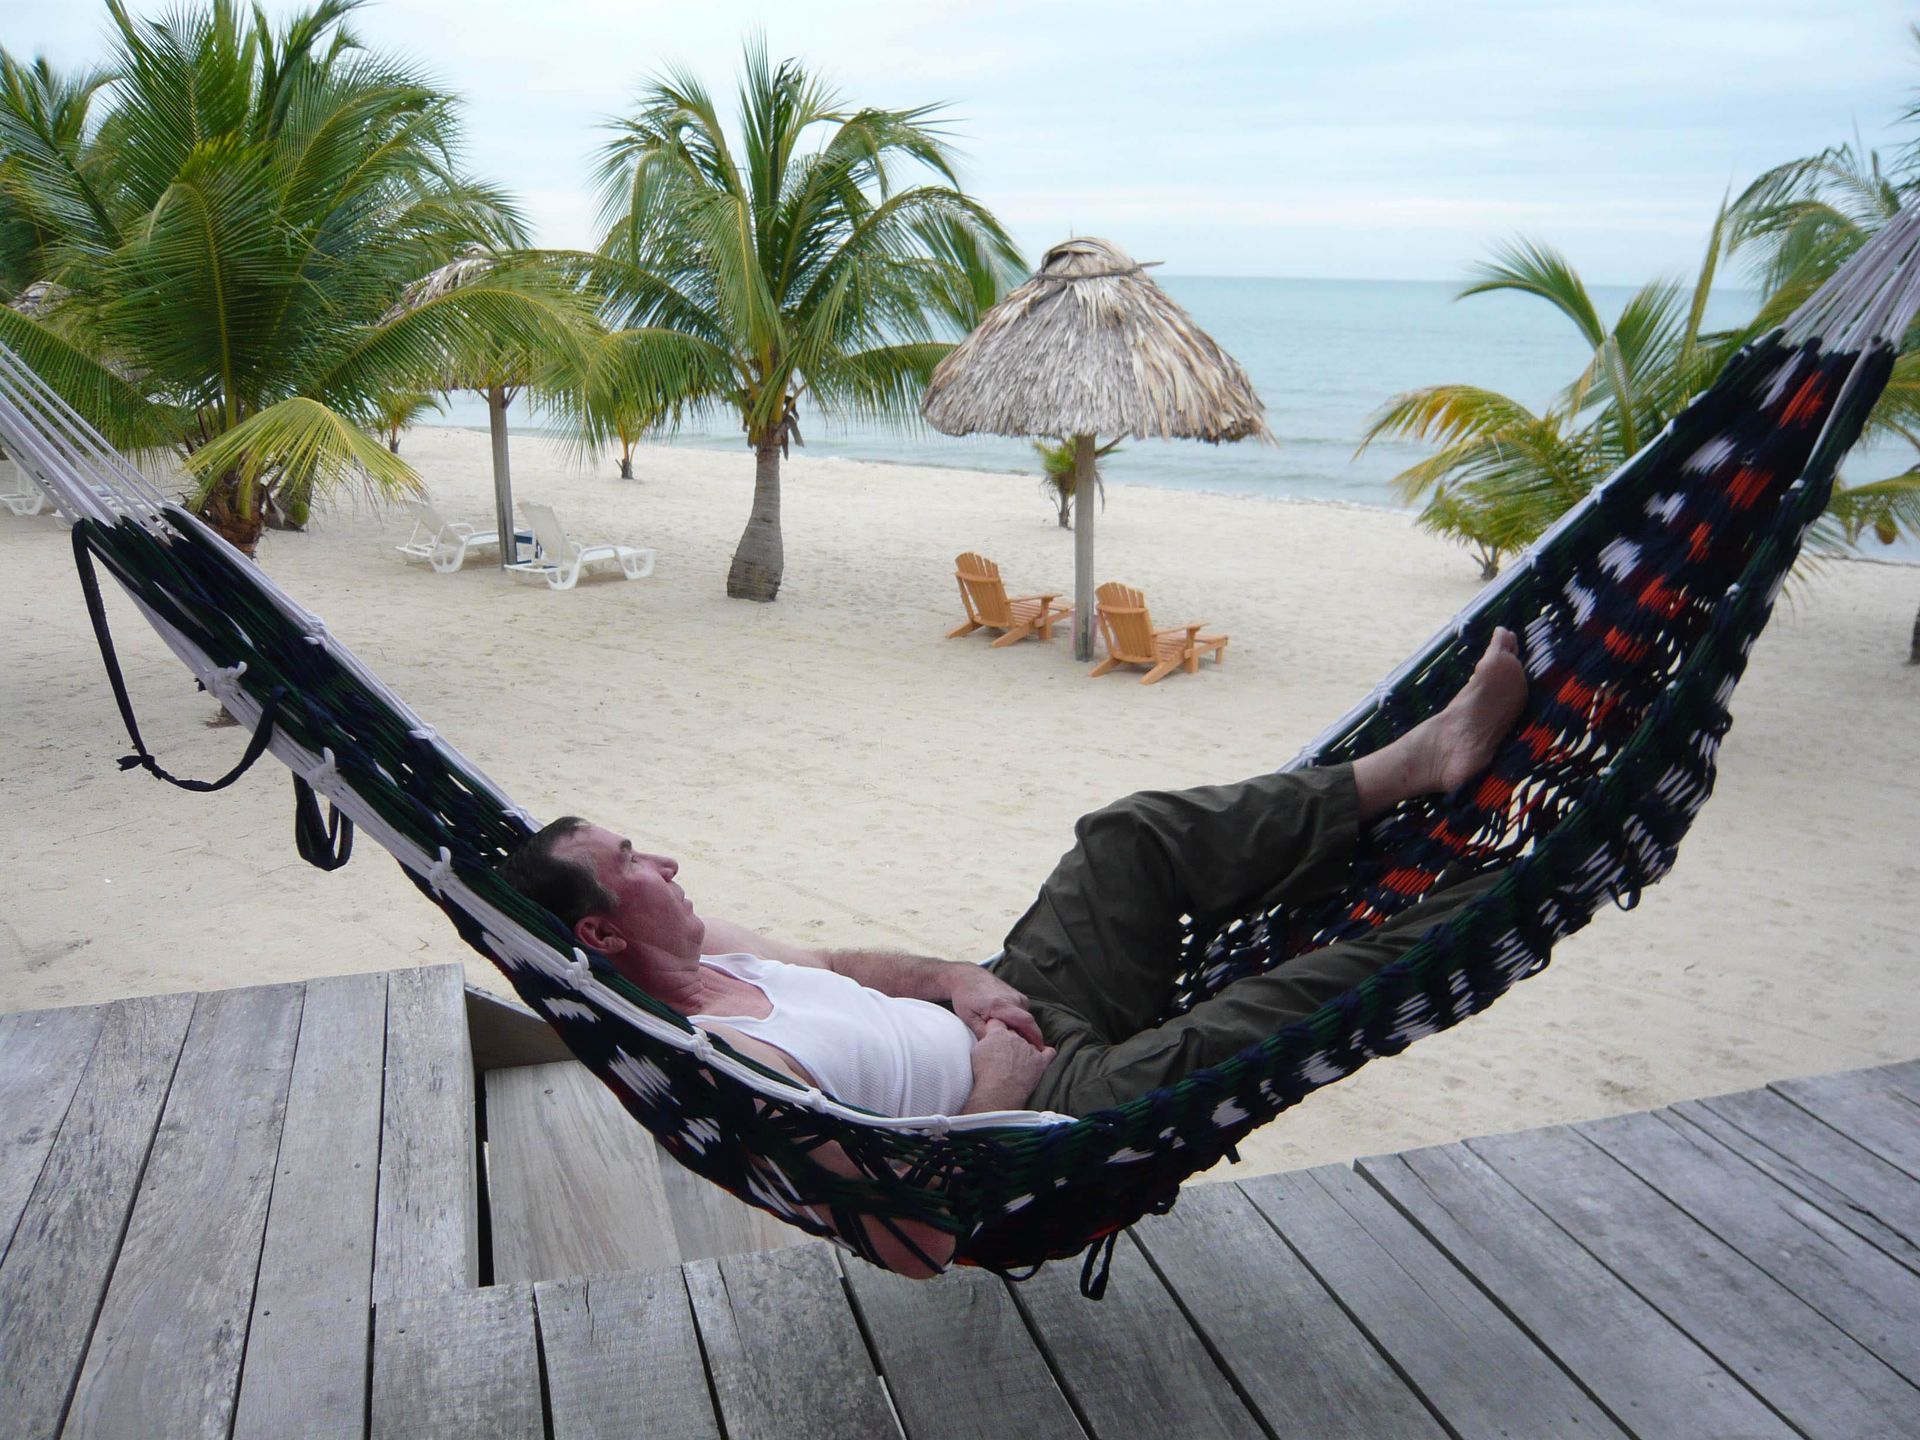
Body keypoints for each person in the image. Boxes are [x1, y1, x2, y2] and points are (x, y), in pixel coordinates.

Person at [498, 629, 1528, 1272]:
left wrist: (959, 981)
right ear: (597, 930)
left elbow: (842, 965)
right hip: (1047, 1113)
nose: (669, 862)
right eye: (634, 861)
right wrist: (995, 1095)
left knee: (1127, 836)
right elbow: (914, 1243)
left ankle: (1419, 760)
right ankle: (1524, 882)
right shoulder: (735, 1067)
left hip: (1015, 1007)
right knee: (1286, 1005)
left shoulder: (716, 947)